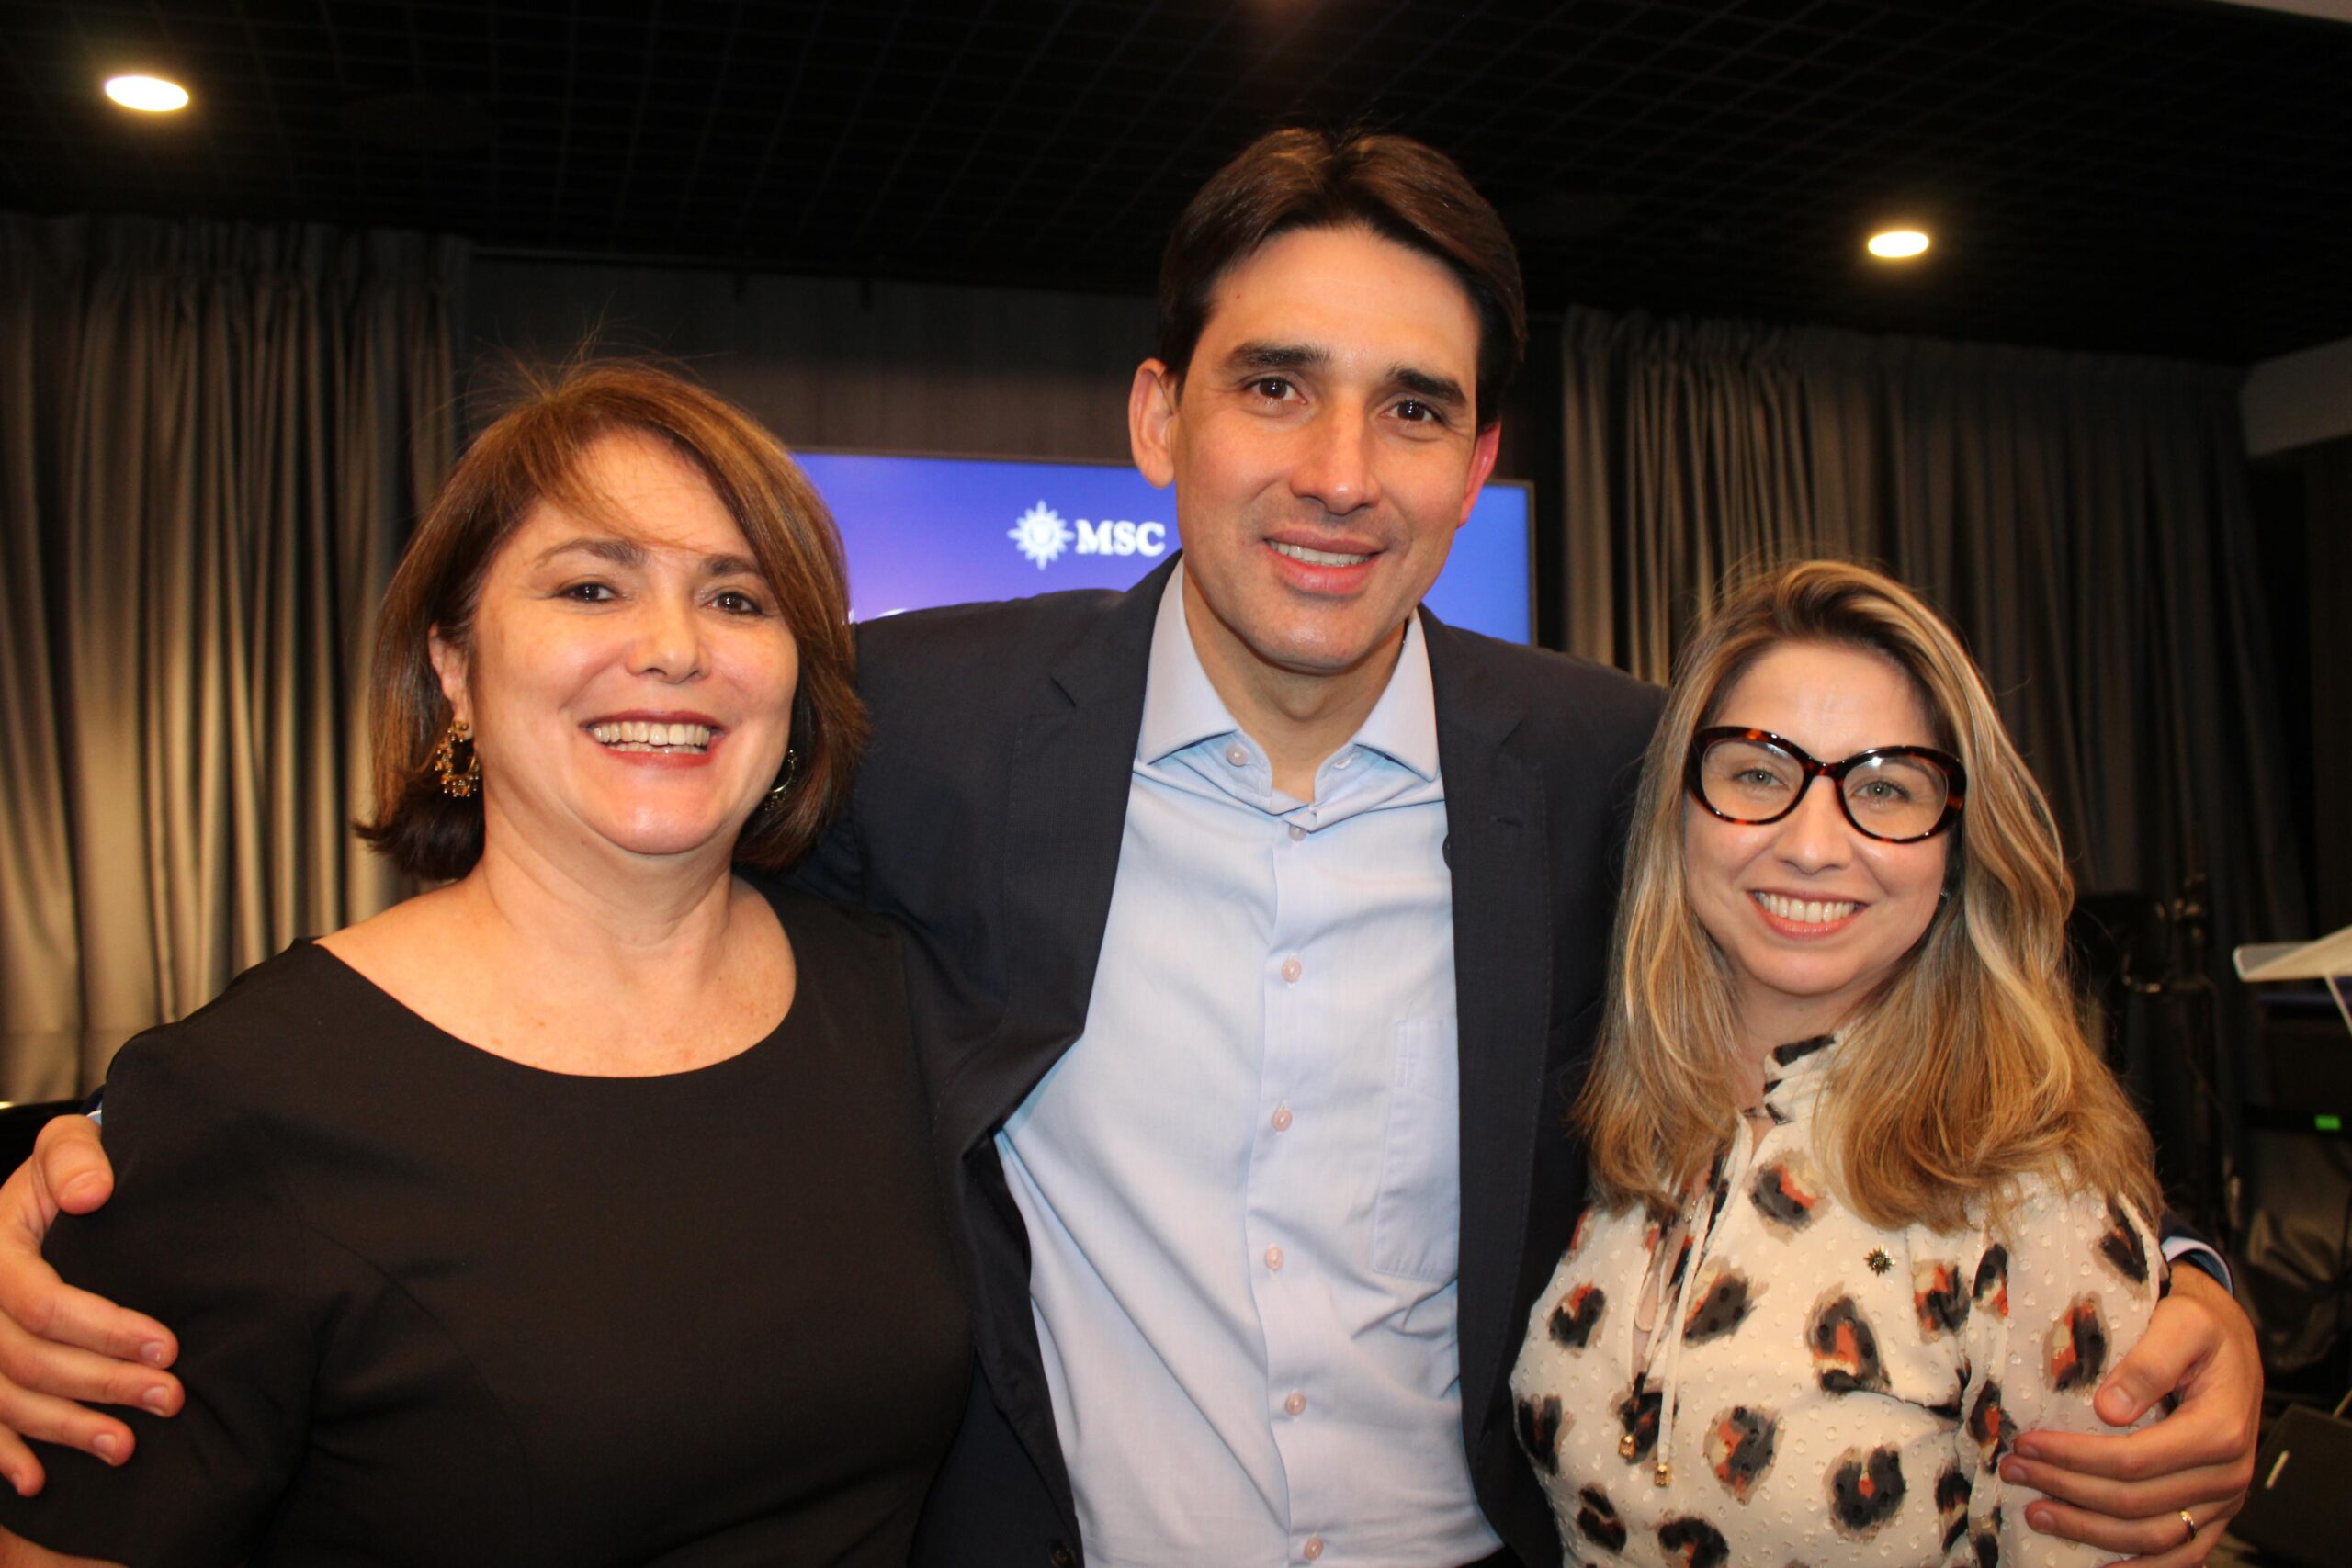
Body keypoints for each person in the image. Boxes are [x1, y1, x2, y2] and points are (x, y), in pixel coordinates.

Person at [0, 131, 2261, 1567]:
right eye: (1272, 384)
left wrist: (2175, 1280)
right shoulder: (915, 730)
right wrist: (87, 1176)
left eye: (1409, 407)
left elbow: (1907, 1015)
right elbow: (562, 948)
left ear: (1476, 460)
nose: (1336, 469)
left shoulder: (1603, 770)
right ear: (1158, 414)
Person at [0, 365, 970, 1565]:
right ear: (454, 664)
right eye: (591, 586)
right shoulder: (242, 1101)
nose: (674, 648)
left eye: (737, 598)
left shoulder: (894, 1003)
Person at [1510, 559, 2206, 1564]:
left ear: (1955, 847)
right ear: (1680, 812)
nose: (1812, 844)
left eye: (1883, 788)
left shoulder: (2031, 1198)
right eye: (1758, 774)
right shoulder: (1621, 1122)